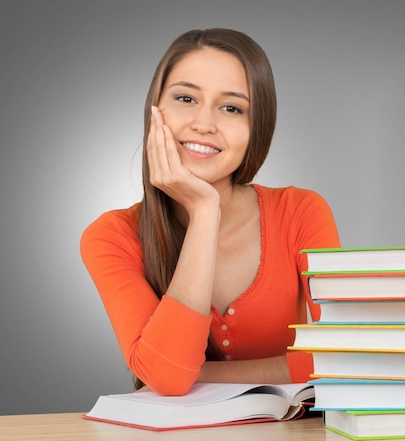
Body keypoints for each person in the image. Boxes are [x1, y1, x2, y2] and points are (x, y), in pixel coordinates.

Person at [80, 28, 341, 396]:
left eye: (231, 107)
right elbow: (169, 378)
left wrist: (197, 375)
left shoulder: (301, 212)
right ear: (155, 110)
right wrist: (204, 211)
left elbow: (347, 354)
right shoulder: (111, 236)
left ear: (256, 128)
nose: (204, 124)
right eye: (186, 98)